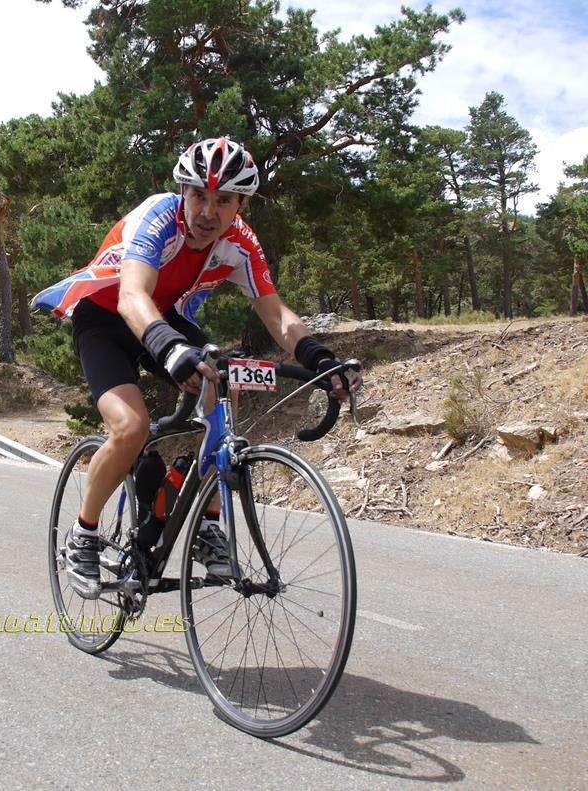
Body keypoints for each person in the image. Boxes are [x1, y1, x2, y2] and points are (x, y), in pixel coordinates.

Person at [31, 137, 363, 600]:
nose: (208, 212)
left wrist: (318, 358)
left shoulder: (241, 242)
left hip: (163, 316)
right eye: (198, 196)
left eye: (223, 200)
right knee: (130, 427)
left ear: (241, 204)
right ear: (182, 192)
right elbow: (131, 296)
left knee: (220, 385)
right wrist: (170, 349)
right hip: (107, 317)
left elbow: (274, 312)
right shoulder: (157, 216)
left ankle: (207, 523)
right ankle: (83, 534)